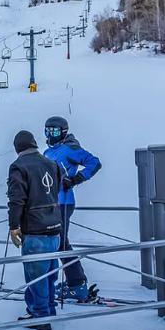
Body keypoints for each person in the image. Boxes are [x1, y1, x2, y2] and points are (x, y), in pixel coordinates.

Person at [7, 130, 65, 330]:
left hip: (34, 229)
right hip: (55, 228)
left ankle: (40, 317)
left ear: (17, 148)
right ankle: (49, 309)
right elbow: (57, 188)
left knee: (36, 276)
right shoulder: (51, 163)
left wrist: (14, 226)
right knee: (49, 274)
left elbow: (16, 199)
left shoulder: (19, 167)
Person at [42, 116, 102, 302]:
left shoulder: (70, 149)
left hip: (65, 202)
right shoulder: (47, 152)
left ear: (63, 132)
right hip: (51, 202)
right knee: (57, 243)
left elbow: (94, 162)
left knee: (61, 243)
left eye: (54, 131)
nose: (50, 135)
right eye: (48, 131)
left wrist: (76, 179)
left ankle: (77, 284)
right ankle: (73, 282)